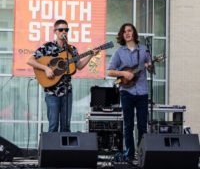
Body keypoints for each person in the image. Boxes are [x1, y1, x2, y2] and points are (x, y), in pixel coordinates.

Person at [27, 19, 99, 132]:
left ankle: (64, 150)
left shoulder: (71, 50)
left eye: (66, 30)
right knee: (53, 125)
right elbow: (30, 60)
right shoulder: (47, 47)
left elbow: (79, 66)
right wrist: (46, 68)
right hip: (51, 92)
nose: (64, 32)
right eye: (61, 30)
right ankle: (52, 150)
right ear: (55, 31)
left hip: (67, 92)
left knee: (66, 126)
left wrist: (90, 55)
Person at [107, 23, 153, 162]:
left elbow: (151, 69)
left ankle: (142, 154)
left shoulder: (144, 50)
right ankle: (129, 154)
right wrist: (124, 74)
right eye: (124, 31)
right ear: (122, 35)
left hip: (142, 92)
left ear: (134, 33)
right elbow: (110, 71)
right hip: (126, 92)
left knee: (142, 125)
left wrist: (150, 65)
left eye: (129, 31)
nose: (127, 33)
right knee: (128, 125)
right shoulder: (119, 52)